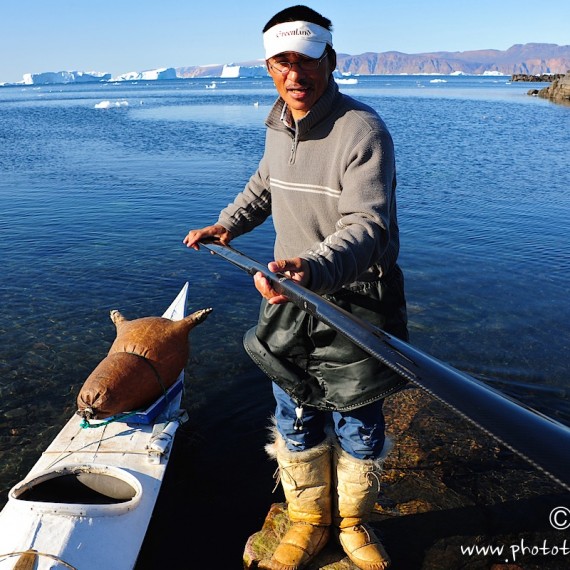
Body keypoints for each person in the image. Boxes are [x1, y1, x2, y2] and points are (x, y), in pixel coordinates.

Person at [184, 5, 408, 570]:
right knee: (296, 411)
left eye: (306, 61)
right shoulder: (278, 123)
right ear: (268, 68)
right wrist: (229, 223)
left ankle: (352, 524)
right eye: (281, 63)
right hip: (292, 297)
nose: (295, 75)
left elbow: (368, 227)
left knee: (359, 416)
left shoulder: (362, 130)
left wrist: (311, 267)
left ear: (329, 60)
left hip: (356, 299)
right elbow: (266, 184)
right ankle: (307, 520)